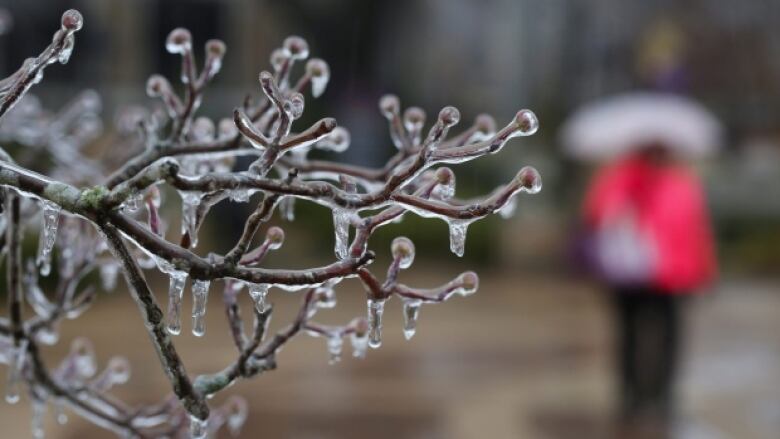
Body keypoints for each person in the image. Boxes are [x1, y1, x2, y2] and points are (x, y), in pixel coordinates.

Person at [581, 142, 716, 435]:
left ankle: (662, 396)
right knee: (629, 335)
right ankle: (631, 397)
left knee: (669, 337)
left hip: (674, 276)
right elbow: (595, 214)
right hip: (629, 273)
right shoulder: (620, 179)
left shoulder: (681, 183)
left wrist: (705, 269)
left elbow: (697, 229)